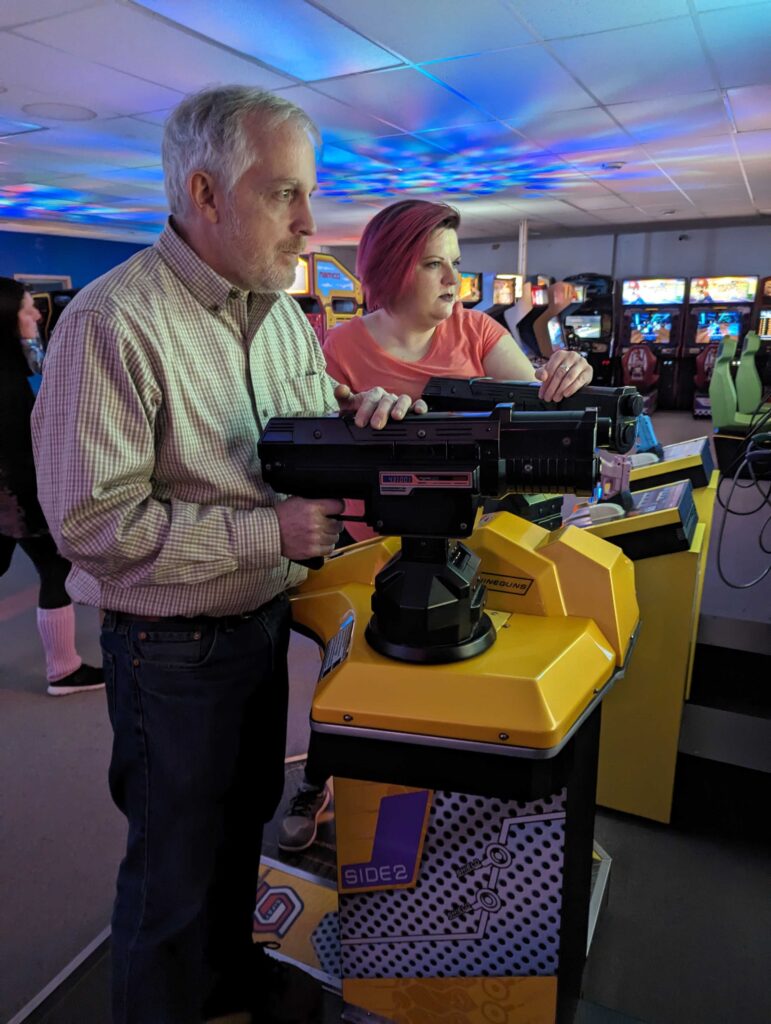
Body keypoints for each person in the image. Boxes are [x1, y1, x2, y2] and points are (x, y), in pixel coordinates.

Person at [32, 86, 423, 1024]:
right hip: (169, 655)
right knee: (170, 880)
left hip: (260, 629)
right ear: (204, 193)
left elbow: (296, 438)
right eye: (283, 195)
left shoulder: (283, 316)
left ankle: (224, 993)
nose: (308, 225)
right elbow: (90, 527)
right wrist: (269, 533)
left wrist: (367, 427)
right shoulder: (110, 322)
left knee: (239, 836)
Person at [277, 199, 592, 853]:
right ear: (391, 268)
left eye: (454, 263)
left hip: (475, 545)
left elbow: (542, 411)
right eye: (432, 264)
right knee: (350, 681)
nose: (452, 280)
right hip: (371, 555)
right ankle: (323, 775)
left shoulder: (477, 332)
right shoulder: (340, 348)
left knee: (464, 688)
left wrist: (567, 377)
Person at [0, 277, 103, 696]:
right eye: (29, 309)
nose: (38, 315)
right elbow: (21, 450)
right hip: (17, 496)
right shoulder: (7, 384)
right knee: (55, 567)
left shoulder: (12, 366)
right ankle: (63, 669)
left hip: (9, 496)